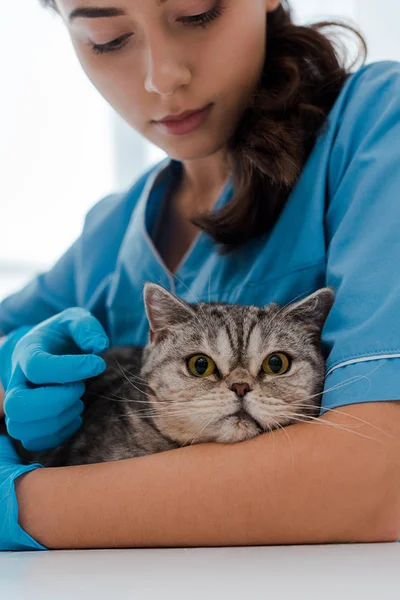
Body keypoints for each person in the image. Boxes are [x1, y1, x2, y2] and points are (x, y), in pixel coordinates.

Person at [0, 0, 399, 551]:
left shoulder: (379, 126)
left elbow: (379, 479)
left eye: (197, 13)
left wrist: (19, 504)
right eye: (109, 38)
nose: (163, 78)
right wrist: (7, 375)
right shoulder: (112, 228)